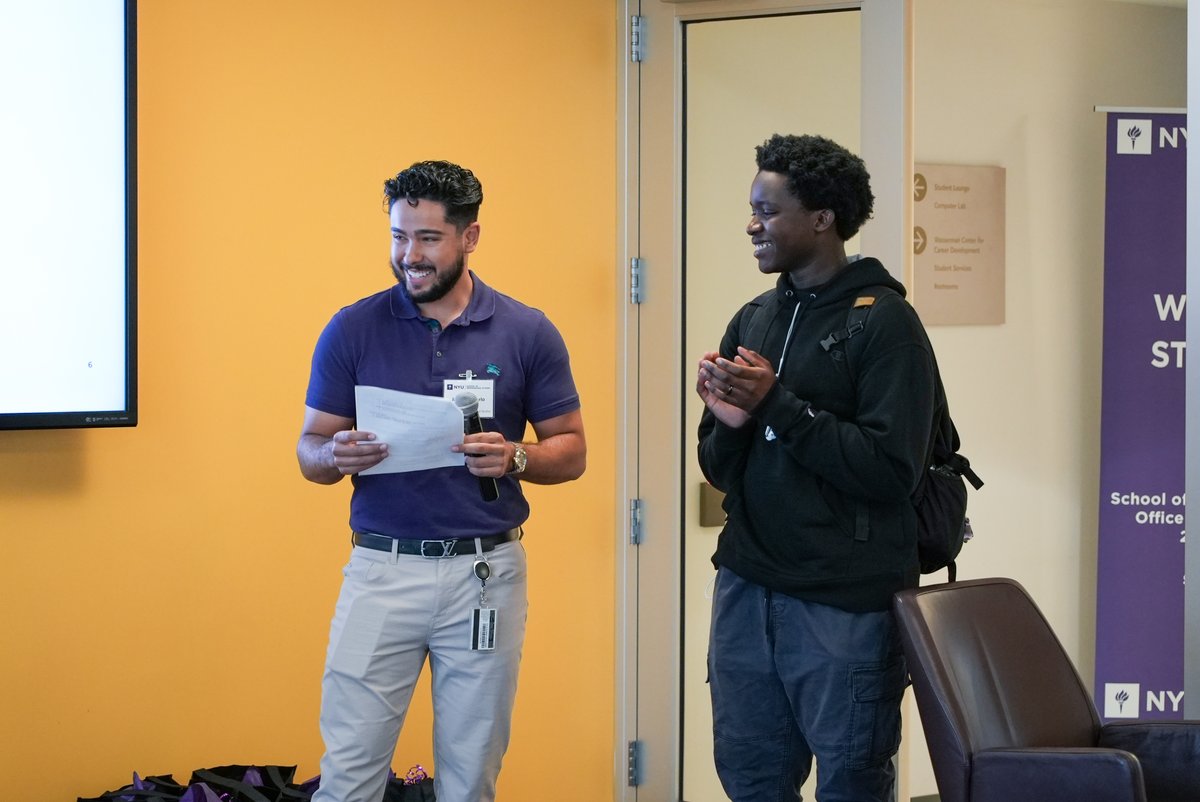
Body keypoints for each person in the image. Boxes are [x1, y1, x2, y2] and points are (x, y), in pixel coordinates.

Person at [297, 159, 586, 802]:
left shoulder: (527, 330)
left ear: (469, 237)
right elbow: (309, 449)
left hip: (484, 575)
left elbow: (570, 451)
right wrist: (334, 455)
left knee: (469, 777)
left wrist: (516, 457)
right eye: (399, 236)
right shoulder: (353, 327)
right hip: (381, 571)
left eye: (427, 239)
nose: (410, 256)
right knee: (347, 775)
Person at [695, 134, 936, 802]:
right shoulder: (754, 320)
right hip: (748, 591)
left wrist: (777, 403)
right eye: (752, 210)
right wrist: (732, 421)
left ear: (823, 218)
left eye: (768, 211)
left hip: (845, 606)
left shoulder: (887, 324)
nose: (753, 224)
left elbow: (891, 472)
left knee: (851, 784)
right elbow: (717, 468)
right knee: (751, 778)